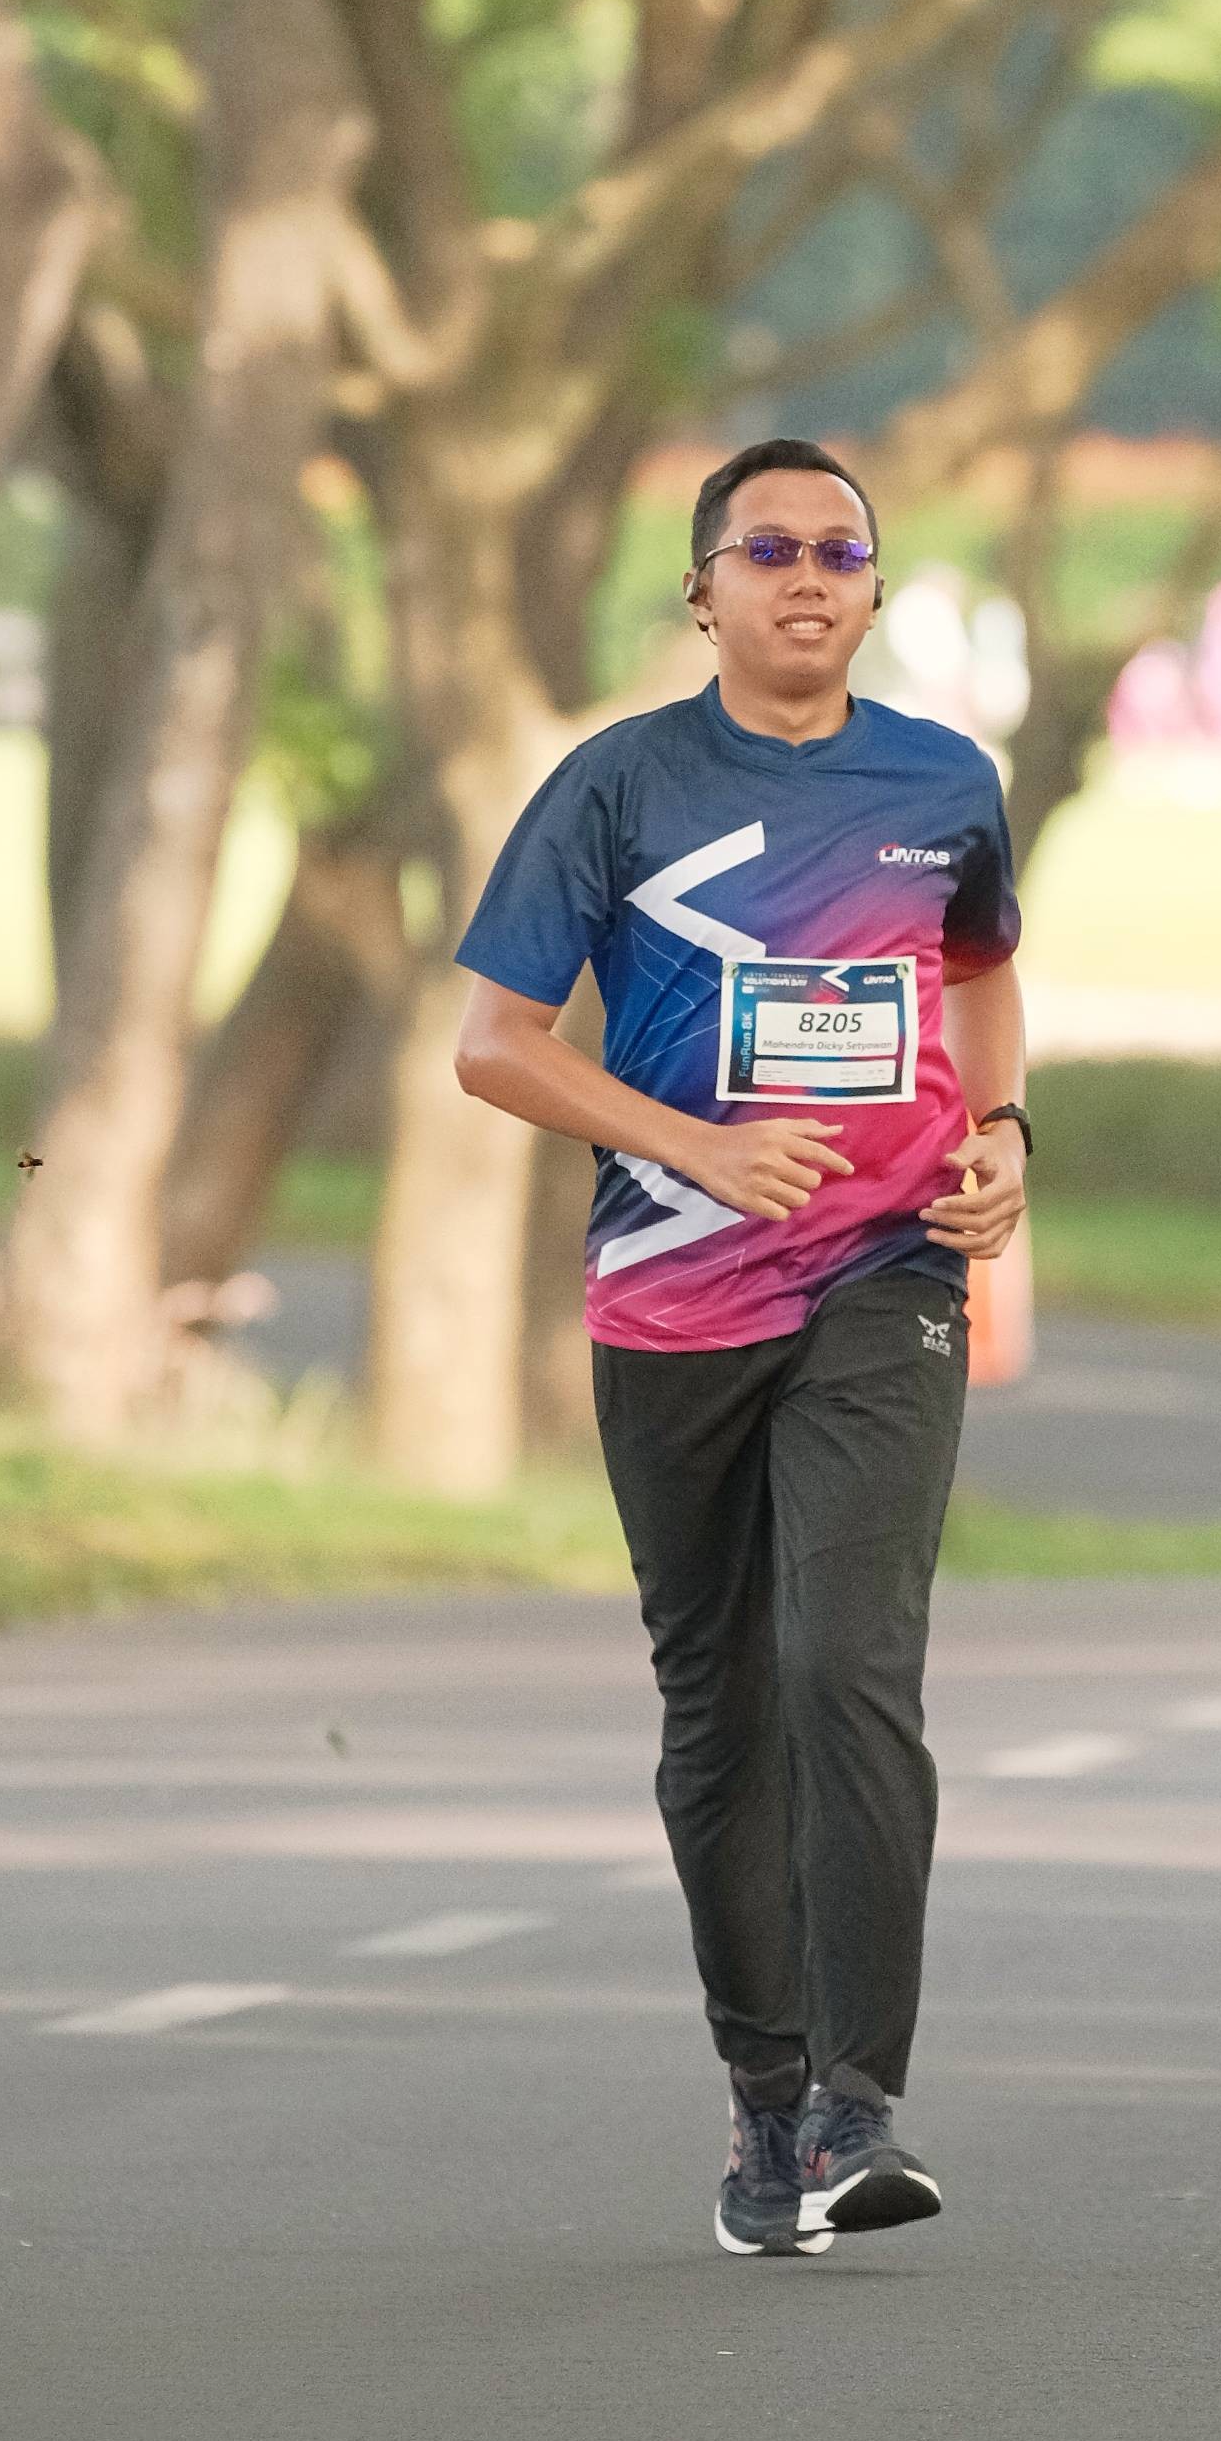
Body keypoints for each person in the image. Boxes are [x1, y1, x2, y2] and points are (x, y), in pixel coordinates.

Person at [451, 437, 1029, 2258]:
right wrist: (689, 1146)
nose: (805, 577)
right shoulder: (619, 788)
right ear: (700, 591)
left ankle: (860, 2106)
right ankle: (764, 2096)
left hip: (887, 1271)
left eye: (839, 552)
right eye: (766, 550)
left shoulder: (942, 782)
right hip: (675, 1296)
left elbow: (978, 971)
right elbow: (492, 1043)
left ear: (875, 589)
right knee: (721, 1703)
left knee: (848, 1660)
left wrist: (1003, 1134)